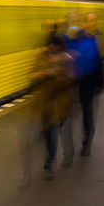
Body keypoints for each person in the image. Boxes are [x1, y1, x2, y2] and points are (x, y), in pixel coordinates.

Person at [31, 30, 74, 179]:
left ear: (58, 46)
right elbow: (32, 75)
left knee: (53, 133)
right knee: (49, 133)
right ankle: (50, 162)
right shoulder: (41, 57)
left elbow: (68, 81)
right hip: (44, 104)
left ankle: (50, 163)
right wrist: (42, 74)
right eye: (47, 44)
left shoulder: (67, 60)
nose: (48, 47)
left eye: (51, 45)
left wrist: (56, 75)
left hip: (58, 104)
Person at [65, 11, 103, 157]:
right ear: (85, 22)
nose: (92, 23)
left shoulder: (97, 38)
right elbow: (68, 53)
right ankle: (68, 149)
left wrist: (100, 83)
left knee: (87, 114)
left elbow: (98, 62)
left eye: (94, 20)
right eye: (90, 21)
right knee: (70, 115)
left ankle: (86, 142)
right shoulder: (77, 37)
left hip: (89, 83)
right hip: (75, 82)